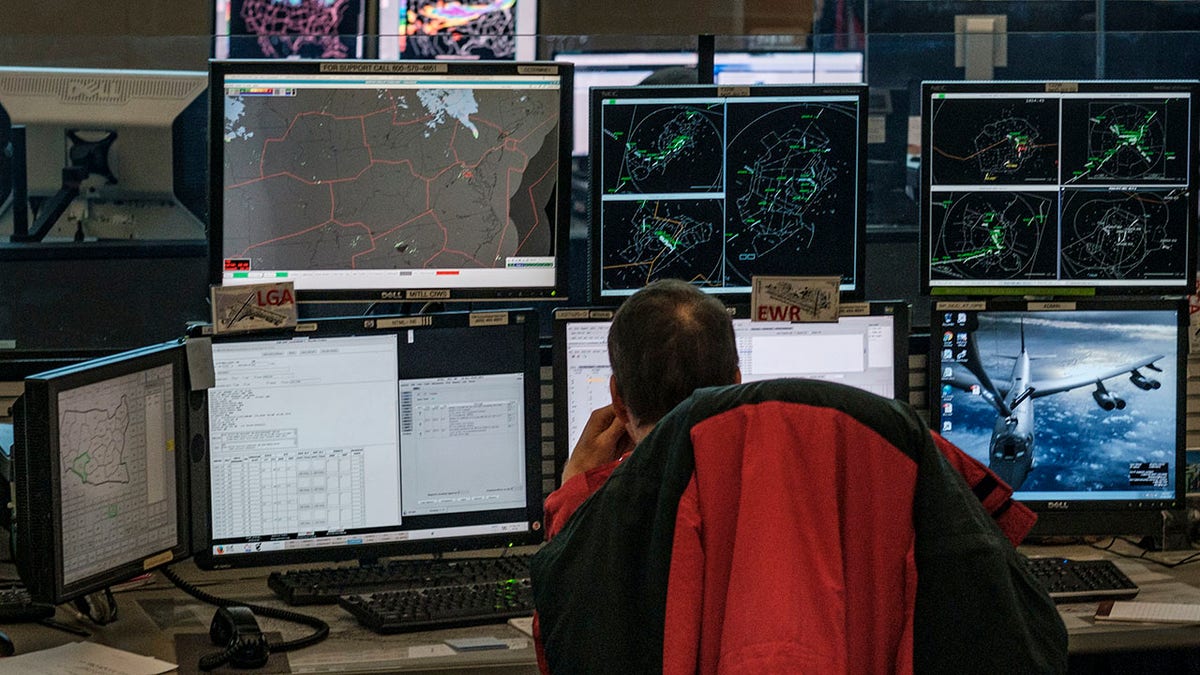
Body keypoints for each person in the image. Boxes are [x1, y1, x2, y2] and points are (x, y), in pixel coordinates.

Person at [532, 279, 1067, 673]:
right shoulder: (892, 448)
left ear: (618, 402)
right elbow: (1018, 627)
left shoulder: (616, 527)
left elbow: (569, 642)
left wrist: (576, 496)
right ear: (737, 380)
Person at [547, 278, 739, 534]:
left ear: (618, 400)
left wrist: (576, 482)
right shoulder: (774, 487)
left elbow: (566, 567)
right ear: (736, 385)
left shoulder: (602, 507)